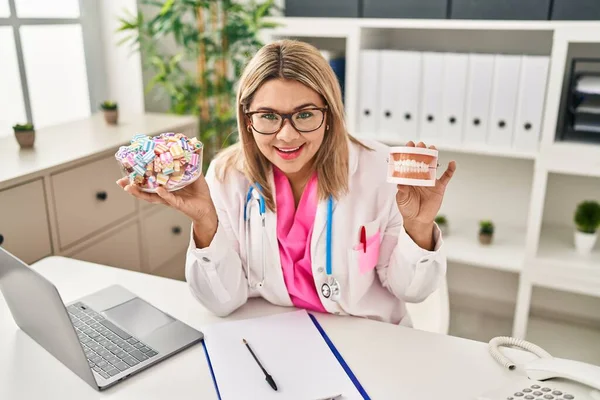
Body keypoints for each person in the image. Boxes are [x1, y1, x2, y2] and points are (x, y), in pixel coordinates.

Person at [118, 39, 456, 326]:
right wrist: (207, 223)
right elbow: (222, 302)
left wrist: (419, 228)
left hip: (365, 337)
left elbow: (411, 291)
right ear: (247, 119)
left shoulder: (379, 169)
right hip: (272, 337)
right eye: (268, 116)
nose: (287, 134)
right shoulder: (227, 175)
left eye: (305, 114)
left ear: (330, 115)